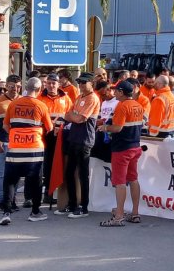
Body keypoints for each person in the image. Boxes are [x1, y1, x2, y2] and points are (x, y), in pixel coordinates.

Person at [0, 77, 52, 226]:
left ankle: (6, 212)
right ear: (39, 90)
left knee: (9, 180)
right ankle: (35, 212)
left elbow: (5, 126)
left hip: (15, 147)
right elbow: (49, 127)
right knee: (35, 181)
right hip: (34, 148)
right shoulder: (40, 105)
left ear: (25, 88)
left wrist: (16, 134)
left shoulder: (13, 104)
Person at [97, 81, 144, 227]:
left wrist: (105, 127)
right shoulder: (138, 105)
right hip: (135, 146)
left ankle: (118, 216)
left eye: (116, 90)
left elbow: (117, 128)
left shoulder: (122, 106)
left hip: (122, 148)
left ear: (122, 92)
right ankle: (135, 213)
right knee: (133, 179)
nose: (114, 92)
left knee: (120, 183)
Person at [58, 72, 100, 219]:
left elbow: (79, 118)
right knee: (69, 172)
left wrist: (72, 116)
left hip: (85, 139)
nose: (81, 85)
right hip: (74, 138)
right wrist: (71, 116)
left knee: (83, 174)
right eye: (79, 82)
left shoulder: (92, 98)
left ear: (91, 83)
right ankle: (72, 203)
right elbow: (69, 115)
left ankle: (84, 206)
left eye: (83, 82)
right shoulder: (80, 96)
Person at [38, 73, 73, 203]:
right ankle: (47, 192)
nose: (51, 85)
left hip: (61, 135)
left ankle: (57, 193)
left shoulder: (66, 98)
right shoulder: (39, 97)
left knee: (57, 164)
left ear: (59, 84)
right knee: (45, 165)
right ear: (45, 84)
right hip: (44, 135)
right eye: (49, 83)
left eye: (54, 83)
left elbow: (70, 116)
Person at [0, 75, 21, 210]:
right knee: (0, 173)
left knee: (16, 173)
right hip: (2, 143)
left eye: (18, 86)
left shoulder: (23, 101)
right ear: (6, 86)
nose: (15, 89)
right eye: (12, 86)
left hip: (18, 144)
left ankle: (11, 200)